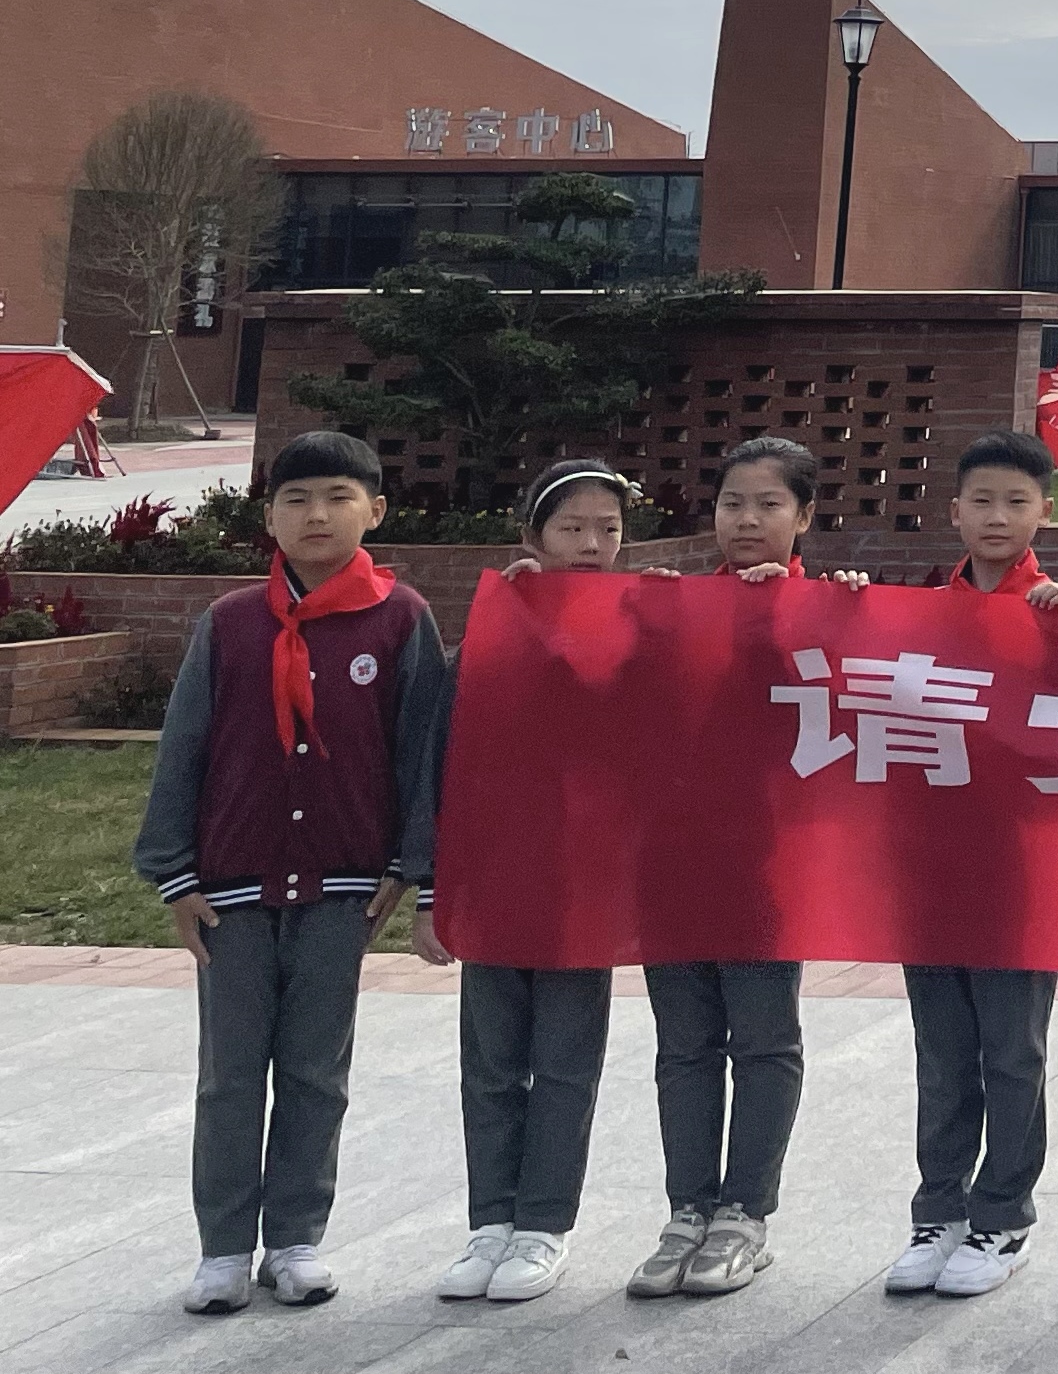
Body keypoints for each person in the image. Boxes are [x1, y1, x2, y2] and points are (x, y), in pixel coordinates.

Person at [133, 428, 452, 1316]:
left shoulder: (400, 619)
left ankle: (298, 1239)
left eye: (339, 498)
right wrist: (174, 871)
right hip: (231, 887)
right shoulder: (233, 621)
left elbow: (420, 750)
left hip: (343, 886)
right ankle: (224, 1249)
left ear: (376, 512)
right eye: (297, 499)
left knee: (316, 1069)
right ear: (268, 515)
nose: (318, 515)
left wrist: (410, 865)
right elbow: (184, 745)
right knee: (230, 1073)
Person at [629, 435, 854, 1300]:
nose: (747, 520)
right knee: (684, 1046)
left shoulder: (835, 610)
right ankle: (687, 1209)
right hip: (671, 859)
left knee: (762, 1040)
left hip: (769, 866)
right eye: (732, 504)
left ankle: (745, 1217)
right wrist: (553, 604)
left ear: (804, 517)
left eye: (768, 505)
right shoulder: (672, 606)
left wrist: (827, 615)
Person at [888, 431, 1058, 1302]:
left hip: (1019, 873)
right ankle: (938, 1212)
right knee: (942, 1051)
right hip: (927, 869)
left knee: (1011, 1051)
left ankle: (1003, 1216)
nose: (997, 517)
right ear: (955, 510)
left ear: (1046, 510)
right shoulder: (911, 611)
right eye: (982, 502)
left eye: (1017, 502)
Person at [428, 460, 634, 1307]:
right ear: (532, 540)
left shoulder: (645, 625)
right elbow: (442, 768)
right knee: (490, 1060)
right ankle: (491, 1220)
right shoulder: (488, 632)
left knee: (564, 1062)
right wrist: (435, 892)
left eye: (609, 529)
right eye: (571, 528)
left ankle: (544, 1224)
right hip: (496, 877)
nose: (591, 544)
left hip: (586, 886)